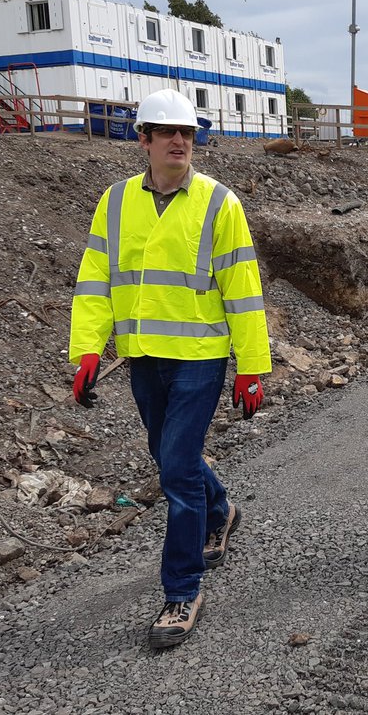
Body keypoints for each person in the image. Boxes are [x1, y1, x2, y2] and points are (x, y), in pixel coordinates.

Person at [69, 88, 271, 648]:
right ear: (145, 140)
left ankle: (182, 590)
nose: (179, 141)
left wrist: (251, 367)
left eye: (187, 132)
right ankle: (221, 509)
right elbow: (95, 283)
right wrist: (87, 350)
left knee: (176, 467)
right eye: (166, 132)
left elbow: (244, 290)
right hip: (142, 358)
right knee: (169, 457)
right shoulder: (115, 202)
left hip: (201, 358)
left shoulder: (218, 203)